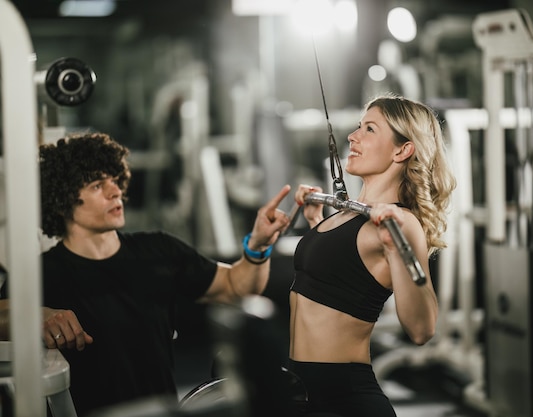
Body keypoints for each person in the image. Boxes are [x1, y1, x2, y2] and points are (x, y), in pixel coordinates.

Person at [0, 132, 292, 416]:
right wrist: (35, 314)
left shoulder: (159, 250)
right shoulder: (42, 272)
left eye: (115, 180)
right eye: (98, 185)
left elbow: (236, 286)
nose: (116, 191)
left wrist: (257, 246)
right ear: (63, 198)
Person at [288, 93, 456, 417]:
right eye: (358, 127)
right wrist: (314, 221)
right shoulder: (345, 214)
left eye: (369, 130)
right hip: (301, 392)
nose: (352, 137)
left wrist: (397, 246)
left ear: (402, 149)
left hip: (344, 401)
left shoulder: (400, 223)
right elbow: (334, 280)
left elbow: (422, 329)